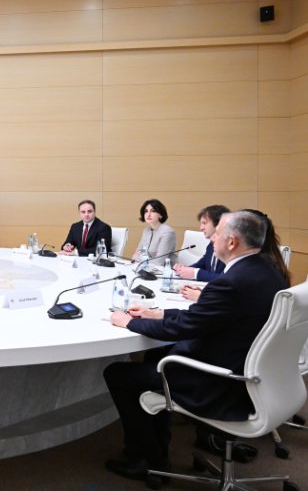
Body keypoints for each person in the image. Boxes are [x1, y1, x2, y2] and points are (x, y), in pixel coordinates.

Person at [102, 211, 287, 487]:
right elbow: (205, 317)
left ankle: (146, 460)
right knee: (155, 355)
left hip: (222, 382)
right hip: (255, 374)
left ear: (232, 242)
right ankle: (157, 451)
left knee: (118, 374)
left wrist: (129, 322)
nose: (211, 239)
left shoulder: (231, 283)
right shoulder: (268, 271)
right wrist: (158, 313)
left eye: (217, 233)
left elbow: (183, 329)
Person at [179, 209, 290, 302]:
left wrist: (203, 297)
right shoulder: (265, 265)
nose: (213, 239)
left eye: (218, 233)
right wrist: (208, 295)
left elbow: (229, 294)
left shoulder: (244, 272)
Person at [173, 205, 230, 284]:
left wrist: (196, 273)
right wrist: (183, 270)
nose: (201, 228)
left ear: (218, 223)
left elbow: (227, 279)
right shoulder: (211, 245)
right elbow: (202, 264)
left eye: (204, 223)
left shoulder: (230, 247)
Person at [133, 198, 177, 264]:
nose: (148, 214)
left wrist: (141, 260)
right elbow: (136, 254)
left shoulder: (168, 232)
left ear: (161, 215)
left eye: (153, 211)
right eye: (146, 211)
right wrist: (137, 259)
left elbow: (159, 261)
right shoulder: (146, 231)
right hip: (147, 267)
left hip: (165, 268)